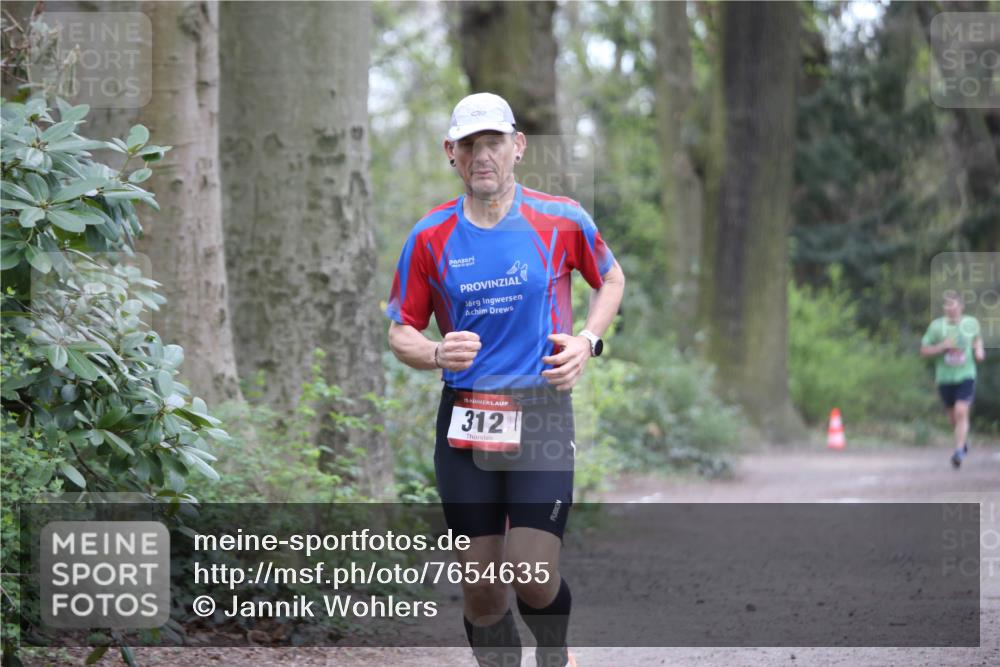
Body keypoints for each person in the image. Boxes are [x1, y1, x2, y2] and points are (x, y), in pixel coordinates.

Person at [385, 92, 625, 667]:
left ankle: (554, 647)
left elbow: (611, 280)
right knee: (483, 588)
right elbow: (401, 332)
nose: (482, 155)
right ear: (452, 153)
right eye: (469, 144)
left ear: (517, 147)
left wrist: (588, 342)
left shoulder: (562, 219)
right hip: (465, 421)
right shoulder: (429, 237)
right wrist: (438, 353)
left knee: (532, 571)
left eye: (493, 141)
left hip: (541, 410)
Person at [920, 290, 985, 468]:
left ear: (961, 306)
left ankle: (958, 451)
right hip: (945, 378)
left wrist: (979, 350)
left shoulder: (971, 323)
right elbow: (924, 350)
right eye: (947, 305)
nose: (950, 308)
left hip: (966, 375)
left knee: (961, 411)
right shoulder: (936, 327)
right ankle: (963, 442)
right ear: (944, 308)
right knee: (953, 417)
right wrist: (942, 346)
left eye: (953, 304)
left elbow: (977, 340)